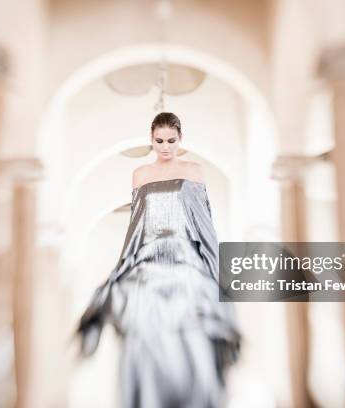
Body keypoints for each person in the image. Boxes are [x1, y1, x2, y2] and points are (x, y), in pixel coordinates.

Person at [74, 112, 242, 408]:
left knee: (193, 311)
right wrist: (124, 265)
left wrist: (216, 268)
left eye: (171, 140)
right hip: (148, 256)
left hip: (186, 254)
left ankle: (197, 394)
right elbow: (136, 225)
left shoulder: (193, 170)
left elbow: (204, 223)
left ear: (180, 139)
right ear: (151, 140)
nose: (165, 147)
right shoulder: (140, 174)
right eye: (159, 141)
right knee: (139, 311)